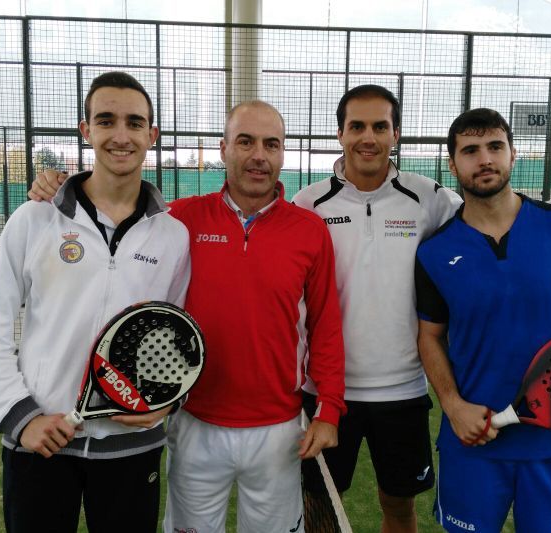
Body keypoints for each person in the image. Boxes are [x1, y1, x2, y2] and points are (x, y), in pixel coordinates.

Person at [29, 100, 346, 533]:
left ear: (282, 152)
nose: (259, 155)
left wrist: (329, 409)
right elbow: (113, 205)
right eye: (245, 142)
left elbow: (326, 325)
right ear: (223, 148)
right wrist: (59, 186)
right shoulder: (179, 219)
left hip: (279, 429)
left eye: (271, 144)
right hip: (193, 421)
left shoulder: (309, 230)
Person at [0, 71, 191, 532]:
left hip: (132, 449)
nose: (121, 135)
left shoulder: (174, 236)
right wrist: (20, 416)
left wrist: (166, 403)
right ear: (86, 130)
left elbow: (178, 338)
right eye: (106, 120)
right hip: (40, 442)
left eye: (134, 123)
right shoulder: (34, 219)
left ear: (152, 135)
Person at [415, 108, 551, 533]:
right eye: (470, 150)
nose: (485, 159)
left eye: (495, 146)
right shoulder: (434, 251)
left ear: (513, 155)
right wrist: (454, 407)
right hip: (474, 438)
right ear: (453, 164)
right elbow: (429, 337)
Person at [293, 85, 459, 533]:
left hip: (403, 390)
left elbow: (492, 214)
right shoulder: (307, 204)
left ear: (395, 134)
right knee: (318, 507)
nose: (368, 137)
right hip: (324, 391)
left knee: (399, 506)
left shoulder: (429, 198)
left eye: (380, 126)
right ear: (340, 134)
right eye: (357, 126)